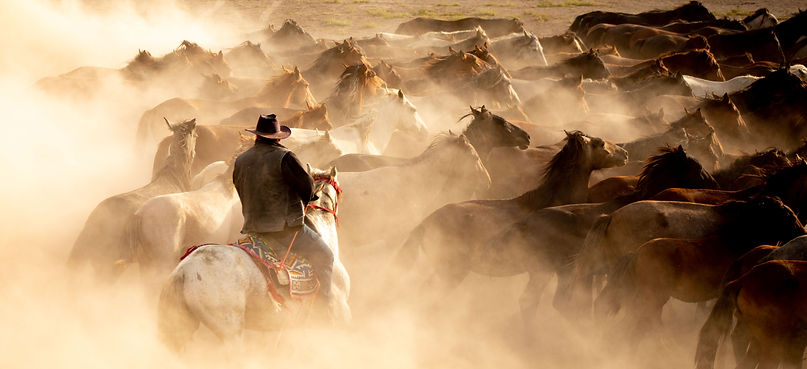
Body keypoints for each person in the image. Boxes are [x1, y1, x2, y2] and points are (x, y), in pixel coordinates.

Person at [233, 114, 334, 309]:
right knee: (325, 256)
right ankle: (323, 310)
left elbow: (239, 188)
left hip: (253, 229)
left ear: (257, 136)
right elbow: (308, 188)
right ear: (278, 137)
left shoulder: (241, 160)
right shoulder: (285, 157)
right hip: (285, 231)